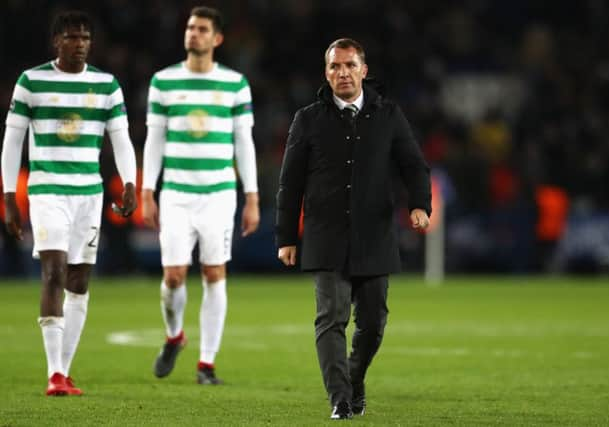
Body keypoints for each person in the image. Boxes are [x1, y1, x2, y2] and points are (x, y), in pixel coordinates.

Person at [276, 38, 431, 419]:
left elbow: (413, 165)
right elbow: (289, 183)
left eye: (349, 65)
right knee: (331, 318)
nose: (342, 72)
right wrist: (286, 238)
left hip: (374, 236)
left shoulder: (389, 115)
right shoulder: (307, 119)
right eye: (334, 67)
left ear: (364, 70)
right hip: (324, 236)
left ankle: (354, 378)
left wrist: (420, 204)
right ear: (326, 74)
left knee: (374, 323)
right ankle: (340, 399)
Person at [1, 11, 137, 396]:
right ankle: (54, 373)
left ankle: (65, 370)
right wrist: (10, 195)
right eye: (72, 37)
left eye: (85, 38)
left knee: (79, 280)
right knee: (54, 271)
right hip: (47, 191)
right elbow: (13, 141)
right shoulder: (32, 81)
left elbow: (121, 138)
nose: (80, 44)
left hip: (89, 194)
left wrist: (128, 182)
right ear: (56, 42)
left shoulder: (106, 85)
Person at [142, 6, 259, 385]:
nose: (193, 33)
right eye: (190, 27)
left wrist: (252, 196)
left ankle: (206, 364)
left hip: (219, 194)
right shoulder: (163, 82)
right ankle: (175, 335)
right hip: (175, 193)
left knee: (213, 272)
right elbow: (154, 140)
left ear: (217, 38)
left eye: (202, 29)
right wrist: (148, 190)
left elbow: (244, 143)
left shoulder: (235, 84)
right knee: (173, 277)